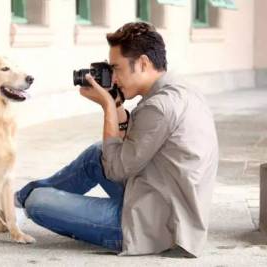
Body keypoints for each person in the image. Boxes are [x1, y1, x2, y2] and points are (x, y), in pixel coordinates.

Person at [14, 22, 218, 258]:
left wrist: (108, 107)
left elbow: (117, 170)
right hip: (159, 197)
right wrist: (118, 104)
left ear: (143, 63)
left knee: (39, 203)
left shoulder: (158, 107)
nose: (114, 77)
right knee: (97, 153)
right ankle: (16, 201)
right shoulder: (180, 90)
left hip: (152, 226)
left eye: (116, 68)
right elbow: (128, 148)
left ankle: (23, 201)